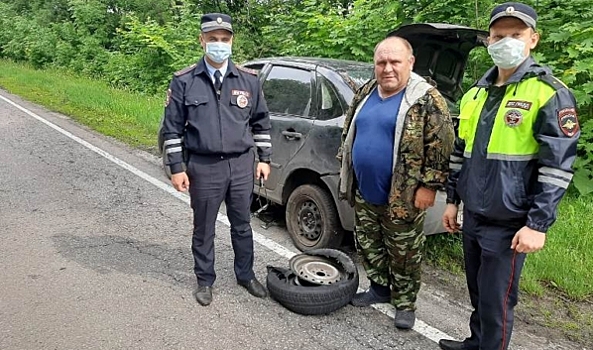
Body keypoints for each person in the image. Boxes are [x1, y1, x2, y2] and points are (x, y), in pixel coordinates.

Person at [439, 3, 580, 350]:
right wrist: (452, 200)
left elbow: (557, 168)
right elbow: (461, 151)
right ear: (488, 40)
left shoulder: (549, 93)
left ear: (533, 39)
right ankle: (476, 342)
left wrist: (538, 225)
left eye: (516, 35)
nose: (506, 42)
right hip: (472, 213)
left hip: (511, 222)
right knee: (477, 291)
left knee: (497, 302)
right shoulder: (476, 93)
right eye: (499, 35)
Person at [337, 36, 455, 329]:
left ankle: (404, 303)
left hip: (405, 195)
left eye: (395, 62)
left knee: (404, 251)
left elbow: (442, 146)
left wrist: (429, 186)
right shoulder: (366, 91)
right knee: (368, 242)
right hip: (365, 189)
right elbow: (350, 127)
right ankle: (378, 289)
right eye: (381, 62)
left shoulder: (426, 99)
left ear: (410, 63)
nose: (387, 68)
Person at [161, 13, 271, 306]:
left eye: (224, 39)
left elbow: (261, 122)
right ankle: (205, 280)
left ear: (232, 41)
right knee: (204, 227)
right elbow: (171, 129)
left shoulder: (249, 80)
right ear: (202, 41)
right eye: (213, 39)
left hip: (240, 166)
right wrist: (176, 168)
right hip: (204, 166)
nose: (219, 44)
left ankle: (246, 275)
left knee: (242, 225)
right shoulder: (184, 81)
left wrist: (265, 159)